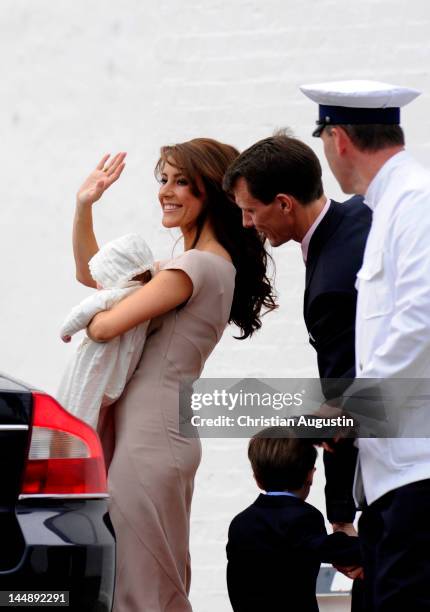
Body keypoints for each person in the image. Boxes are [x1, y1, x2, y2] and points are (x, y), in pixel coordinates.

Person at [72, 141, 277, 612]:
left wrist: (108, 304)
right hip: (161, 432)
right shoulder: (200, 265)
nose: (167, 191)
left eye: (182, 181)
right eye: (163, 179)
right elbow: (93, 276)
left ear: (213, 191)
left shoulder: (193, 267)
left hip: (152, 436)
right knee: (148, 579)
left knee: (141, 587)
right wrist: (85, 206)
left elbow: (102, 325)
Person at [300, 79, 430, 611]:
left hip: (417, 470)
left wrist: (353, 408)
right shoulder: (389, 204)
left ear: (338, 140)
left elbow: (420, 320)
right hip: (392, 474)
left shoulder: (414, 200)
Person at [223, 134, 369, 605]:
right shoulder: (362, 216)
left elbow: (347, 402)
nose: (247, 223)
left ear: (284, 203)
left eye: (250, 210)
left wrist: (341, 514)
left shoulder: (330, 286)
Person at [226, 427, 361, 612]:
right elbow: (331, 548)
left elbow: (234, 580)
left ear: (257, 478)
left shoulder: (240, 523)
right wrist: (367, 548)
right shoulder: (304, 518)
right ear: (310, 475)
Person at [57, 233, 154, 429]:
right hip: (119, 373)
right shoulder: (145, 295)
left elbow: (81, 312)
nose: (98, 284)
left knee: (78, 402)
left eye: (102, 278)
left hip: (96, 363)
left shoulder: (111, 295)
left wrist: (66, 331)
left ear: (117, 275)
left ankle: (73, 436)